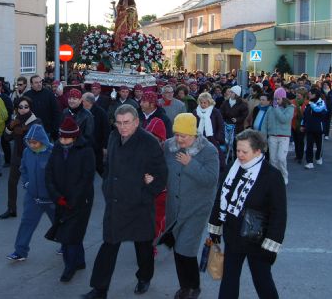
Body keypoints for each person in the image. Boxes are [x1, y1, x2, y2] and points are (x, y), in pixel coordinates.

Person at [84, 105, 167, 299]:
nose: (122, 127)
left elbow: (161, 175)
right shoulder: (113, 137)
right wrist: (107, 185)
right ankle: (99, 289)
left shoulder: (148, 142)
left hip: (139, 206)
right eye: (119, 123)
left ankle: (144, 277)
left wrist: (145, 194)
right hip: (116, 203)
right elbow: (108, 166)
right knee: (109, 246)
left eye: (127, 123)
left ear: (136, 122)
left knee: (143, 247)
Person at [208, 129, 287, 299]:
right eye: (237, 150)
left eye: (245, 152)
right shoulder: (232, 168)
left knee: (262, 280)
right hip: (233, 235)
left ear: (258, 151)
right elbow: (221, 198)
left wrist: (271, 245)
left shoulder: (272, 176)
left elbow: (279, 214)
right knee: (229, 278)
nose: (240, 155)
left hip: (257, 239)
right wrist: (214, 228)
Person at [159, 114, 219, 299]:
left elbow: (211, 179)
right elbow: (159, 167)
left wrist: (190, 164)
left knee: (185, 248)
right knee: (179, 248)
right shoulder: (168, 146)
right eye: (177, 134)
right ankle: (185, 286)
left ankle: (193, 287)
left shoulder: (208, 150)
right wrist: (153, 178)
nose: (179, 139)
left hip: (197, 209)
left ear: (194, 133)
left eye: (184, 135)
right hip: (175, 208)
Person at [45, 118, 96, 282]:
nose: (62, 141)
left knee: (69, 235)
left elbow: (87, 178)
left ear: (74, 137)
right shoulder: (57, 149)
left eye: (66, 138)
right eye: (60, 137)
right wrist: (57, 196)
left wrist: (72, 200)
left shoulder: (86, 151)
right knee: (72, 233)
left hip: (80, 201)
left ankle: (70, 266)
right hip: (61, 199)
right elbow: (49, 174)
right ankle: (79, 261)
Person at [6, 124, 55, 262]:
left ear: (42, 140)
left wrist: (56, 192)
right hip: (33, 198)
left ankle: (67, 246)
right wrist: (26, 183)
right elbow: (23, 169)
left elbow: (61, 173)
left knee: (60, 224)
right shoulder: (27, 152)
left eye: (35, 142)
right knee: (26, 223)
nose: (32, 145)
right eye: (29, 142)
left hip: (51, 199)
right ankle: (20, 251)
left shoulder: (53, 152)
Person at [1, 96, 42, 219]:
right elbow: (7, 138)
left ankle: (38, 207)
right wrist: (10, 127)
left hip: (31, 159)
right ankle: (11, 209)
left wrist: (24, 132)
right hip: (17, 158)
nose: (23, 109)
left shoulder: (37, 121)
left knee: (33, 184)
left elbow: (39, 143)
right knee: (11, 183)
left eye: (26, 107)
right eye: (20, 107)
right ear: (17, 109)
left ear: (30, 108)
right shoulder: (16, 120)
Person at [261, 88, 294, 185]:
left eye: (278, 99)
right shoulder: (270, 108)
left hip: (284, 137)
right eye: (275, 99)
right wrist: (263, 137)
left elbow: (284, 119)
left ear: (283, 98)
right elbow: (265, 123)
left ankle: (284, 175)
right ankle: (274, 177)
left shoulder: (290, 108)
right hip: (272, 136)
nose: (276, 101)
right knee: (273, 159)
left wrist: (276, 109)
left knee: (281, 158)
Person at [81, 92, 110, 176]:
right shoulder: (81, 112)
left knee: (98, 167)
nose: (81, 102)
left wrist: (105, 146)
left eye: (82, 101)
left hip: (97, 146)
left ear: (88, 102)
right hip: (85, 145)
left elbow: (106, 130)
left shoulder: (101, 113)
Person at [24, 75, 61, 139]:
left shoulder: (49, 94)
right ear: (31, 84)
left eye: (40, 82)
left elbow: (56, 111)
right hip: (31, 130)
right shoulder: (27, 95)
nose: (39, 84)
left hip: (47, 130)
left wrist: (54, 128)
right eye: (36, 82)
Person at [301, 88, 327, 169]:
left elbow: (318, 110)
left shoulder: (321, 102)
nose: (309, 95)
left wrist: (311, 103)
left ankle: (318, 157)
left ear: (315, 94)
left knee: (319, 145)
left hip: (319, 128)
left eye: (310, 94)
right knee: (309, 145)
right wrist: (302, 125)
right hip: (309, 128)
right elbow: (305, 115)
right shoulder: (308, 103)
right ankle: (309, 162)